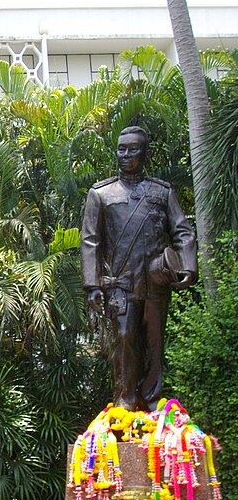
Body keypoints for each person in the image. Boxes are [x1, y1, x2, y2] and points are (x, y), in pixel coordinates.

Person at [81, 126, 197, 411]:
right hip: (120, 284)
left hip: (156, 282)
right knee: (124, 338)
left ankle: (152, 400)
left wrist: (188, 268)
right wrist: (93, 285)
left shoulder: (162, 191)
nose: (126, 155)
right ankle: (125, 400)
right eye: (121, 149)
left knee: (154, 344)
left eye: (133, 149)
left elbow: (183, 231)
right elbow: (90, 240)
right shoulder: (101, 194)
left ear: (144, 153)